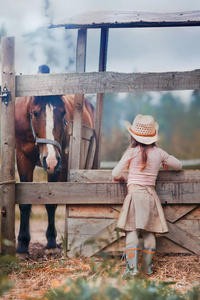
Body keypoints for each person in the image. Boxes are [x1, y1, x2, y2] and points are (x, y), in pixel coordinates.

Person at [112, 114, 182, 277]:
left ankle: (132, 269)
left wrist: (121, 177)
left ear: (133, 135)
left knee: (132, 233)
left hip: (135, 195)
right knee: (150, 233)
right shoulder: (159, 153)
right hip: (151, 196)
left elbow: (115, 173)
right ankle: (147, 268)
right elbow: (178, 165)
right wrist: (163, 163)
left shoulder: (131, 152)